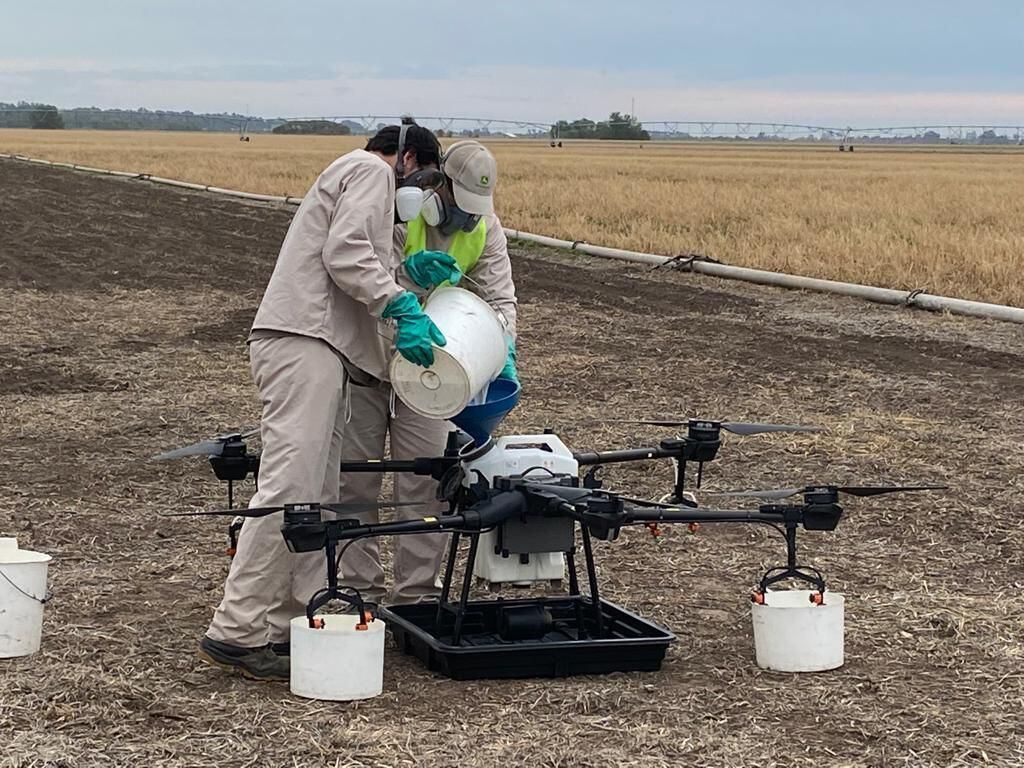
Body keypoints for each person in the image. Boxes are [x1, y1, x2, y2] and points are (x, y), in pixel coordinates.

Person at [198, 122, 458, 681]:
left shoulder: (364, 183)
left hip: (324, 349)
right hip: (305, 342)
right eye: (428, 178)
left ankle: (288, 623)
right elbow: (345, 254)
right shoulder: (371, 170)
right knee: (291, 485)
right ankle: (237, 629)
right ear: (409, 159)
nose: (421, 193)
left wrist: (404, 275)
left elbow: (354, 258)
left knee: (315, 493)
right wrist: (400, 304)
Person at [335, 140, 518, 608]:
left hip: (438, 369)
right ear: (436, 188)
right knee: (357, 480)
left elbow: (500, 298)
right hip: (371, 360)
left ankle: (414, 598)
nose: (467, 218)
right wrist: (410, 279)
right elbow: (367, 279)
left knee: (426, 481)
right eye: (458, 205)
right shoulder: (398, 212)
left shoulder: (487, 230)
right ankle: (361, 593)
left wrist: (503, 346)